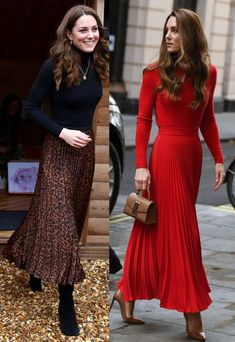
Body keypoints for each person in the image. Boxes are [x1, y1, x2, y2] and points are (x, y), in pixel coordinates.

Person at [110, 8, 225, 341]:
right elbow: (143, 121)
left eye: (175, 30)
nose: (169, 36)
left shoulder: (208, 72)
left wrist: (218, 157)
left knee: (151, 228)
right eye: (166, 30)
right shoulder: (153, 73)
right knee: (182, 232)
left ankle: (126, 293)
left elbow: (208, 120)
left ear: (190, 34)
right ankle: (193, 314)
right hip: (164, 157)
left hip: (190, 157)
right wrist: (141, 166)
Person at [3, 5, 108, 337]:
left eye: (95, 29)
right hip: (58, 154)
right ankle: (66, 301)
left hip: (85, 156)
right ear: (69, 34)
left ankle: (35, 268)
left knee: (60, 219)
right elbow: (31, 108)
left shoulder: (97, 64)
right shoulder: (54, 66)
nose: (91, 35)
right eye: (83, 30)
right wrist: (61, 131)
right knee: (60, 222)